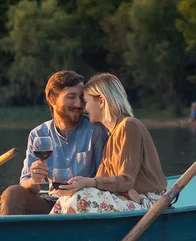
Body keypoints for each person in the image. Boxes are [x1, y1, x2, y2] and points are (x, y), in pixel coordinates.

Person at [50, 72, 167, 214]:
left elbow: (126, 181)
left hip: (149, 202)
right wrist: (76, 185)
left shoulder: (129, 126)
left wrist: (87, 182)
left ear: (101, 101)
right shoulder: (111, 135)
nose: (84, 108)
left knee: (81, 197)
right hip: (125, 200)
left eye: (86, 101)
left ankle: (70, 235)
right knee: (65, 198)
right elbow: (101, 180)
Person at [0, 70, 109, 215]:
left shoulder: (96, 130)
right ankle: (13, 237)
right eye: (71, 97)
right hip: (53, 203)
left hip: (86, 205)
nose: (79, 104)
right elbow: (26, 183)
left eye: (82, 98)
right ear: (52, 99)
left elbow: (106, 177)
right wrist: (34, 179)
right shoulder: (38, 134)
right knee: (13, 193)